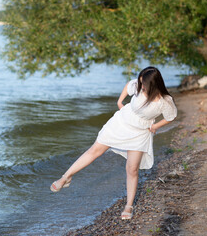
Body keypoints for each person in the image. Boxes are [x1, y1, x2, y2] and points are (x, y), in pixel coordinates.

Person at [50, 66, 177, 220]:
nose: (141, 86)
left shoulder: (165, 101)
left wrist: (155, 126)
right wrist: (119, 101)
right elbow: (128, 86)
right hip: (121, 123)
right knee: (95, 150)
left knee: (132, 169)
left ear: (154, 84)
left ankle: (129, 205)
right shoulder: (138, 86)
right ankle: (66, 177)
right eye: (140, 82)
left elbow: (171, 116)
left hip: (140, 132)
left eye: (144, 84)